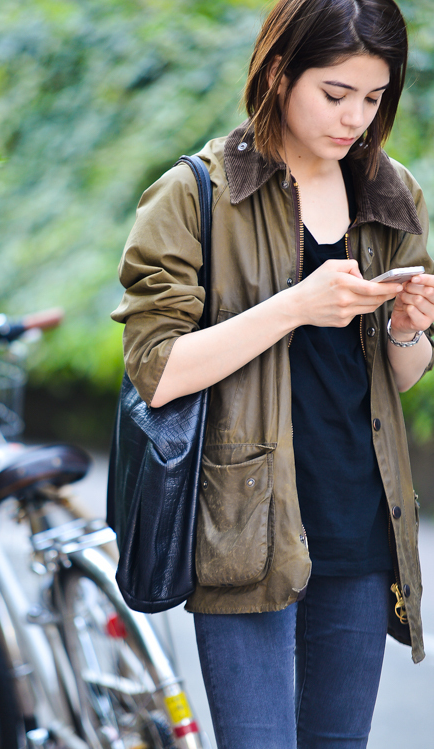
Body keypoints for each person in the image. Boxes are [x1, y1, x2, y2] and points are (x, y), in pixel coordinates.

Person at [112, 0, 434, 746]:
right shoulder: (196, 194)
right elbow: (157, 372)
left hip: (359, 527)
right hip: (243, 530)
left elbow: (404, 377)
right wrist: (295, 305)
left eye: (374, 97)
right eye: (334, 93)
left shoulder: (391, 193)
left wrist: (407, 329)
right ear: (280, 71)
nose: (354, 117)